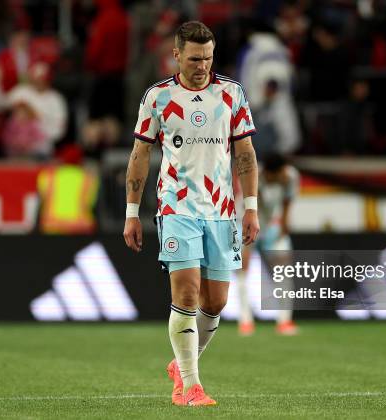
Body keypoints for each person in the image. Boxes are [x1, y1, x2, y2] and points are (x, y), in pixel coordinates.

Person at [123, 21, 259, 407]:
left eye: (208, 58)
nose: (202, 65)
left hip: (221, 209)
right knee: (186, 292)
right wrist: (132, 212)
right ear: (177, 55)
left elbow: (246, 155)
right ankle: (191, 387)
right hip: (176, 206)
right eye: (195, 58)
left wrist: (250, 208)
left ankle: (182, 364)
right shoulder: (158, 98)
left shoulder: (231, 94)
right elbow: (140, 156)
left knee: (215, 303)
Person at [235, 152, 300, 336]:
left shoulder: (290, 176)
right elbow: (253, 207)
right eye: (279, 174)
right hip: (246, 224)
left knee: (284, 271)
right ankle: (245, 321)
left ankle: (284, 321)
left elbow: (288, 202)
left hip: (271, 226)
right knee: (242, 272)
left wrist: (284, 225)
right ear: (269, 173)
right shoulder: (253, 177)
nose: (283, 176)